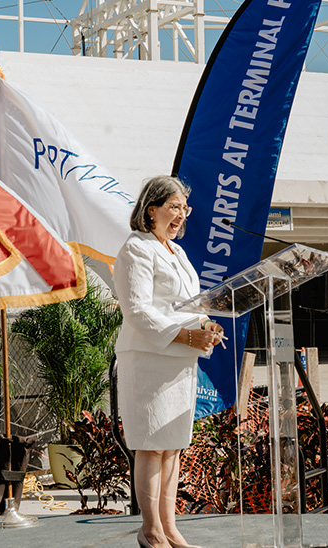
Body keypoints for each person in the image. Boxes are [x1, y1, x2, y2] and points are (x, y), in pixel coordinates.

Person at [112, 175, 223, 548]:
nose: (181, 215)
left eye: (184, 208)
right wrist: (186, 334)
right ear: (151, 210)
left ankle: (170, 527)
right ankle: (151, 531)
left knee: (172, 445)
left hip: (179, 360)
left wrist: (205, 324)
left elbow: (189, 306)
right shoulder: (137, 249)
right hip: (148, 358)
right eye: (174, 207)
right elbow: (139, 311)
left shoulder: (178, 252)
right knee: (151, 445)